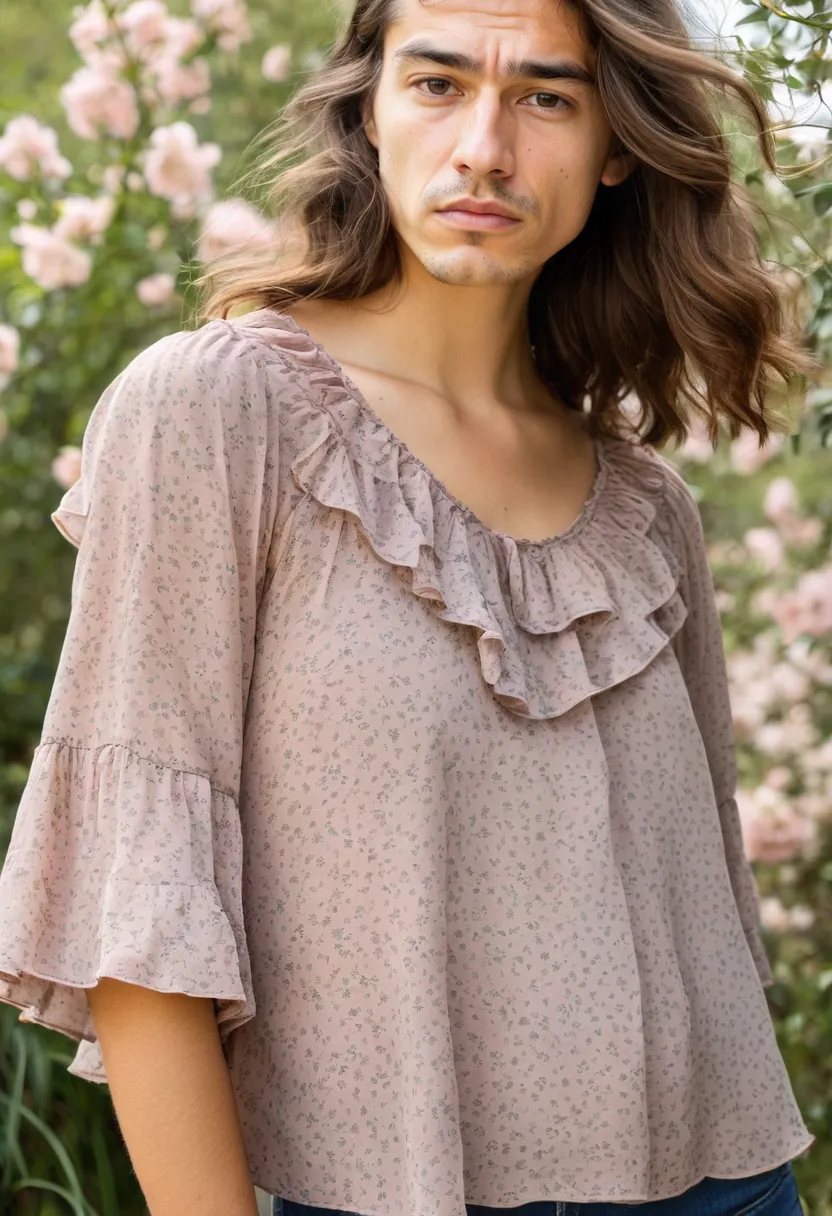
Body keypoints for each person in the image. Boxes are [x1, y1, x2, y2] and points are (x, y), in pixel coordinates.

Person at [0, 0, 820, 1213]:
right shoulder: (218, 412)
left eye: (546, 95)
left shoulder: (652, 512)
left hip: (729, 1179)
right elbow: (142, 919)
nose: (484, 145)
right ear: (369, 111)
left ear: (616, 145)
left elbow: (705, 904)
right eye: (437, 84)